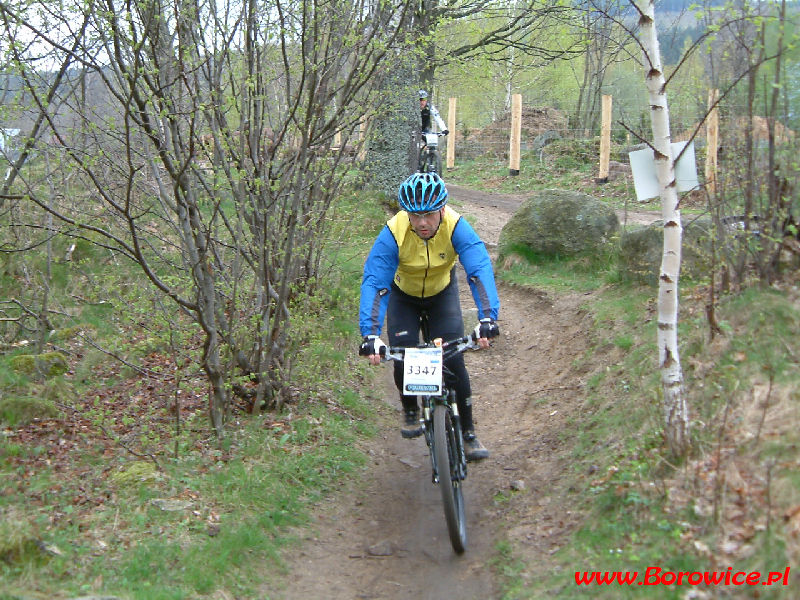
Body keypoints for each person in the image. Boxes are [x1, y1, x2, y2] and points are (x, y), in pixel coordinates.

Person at [358, 171, 500, 461]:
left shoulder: (456, 226)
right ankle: (410, 407)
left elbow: (478, 270)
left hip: (441, 295)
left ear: (442, 210)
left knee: (453, 358)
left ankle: (469, 433)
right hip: (403, 296)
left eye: (429, 215)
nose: (422, 223)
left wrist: (487, 318)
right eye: (415, 215)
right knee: (403, 352)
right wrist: (370, 334)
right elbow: (375, 282)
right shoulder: (394, 232)